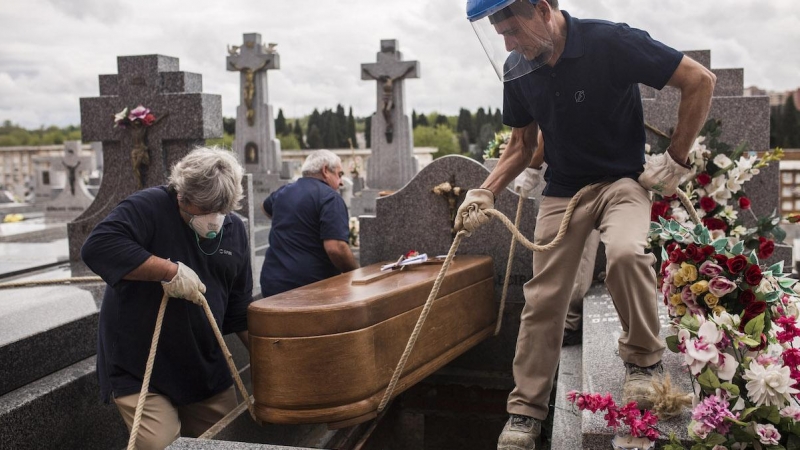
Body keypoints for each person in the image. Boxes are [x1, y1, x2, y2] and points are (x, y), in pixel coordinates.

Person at [460, 1, 716, 448]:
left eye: (513, 29)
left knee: (625, 253)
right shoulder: (517, 65)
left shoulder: (611, 42)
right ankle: (525, 411)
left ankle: (643, 361)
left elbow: (699, 80)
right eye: (499, 34)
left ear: (542, 9)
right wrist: (487, 190)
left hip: (622, 181)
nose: (508, 42)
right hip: (563, 191)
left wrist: (675, 160)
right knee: (543, 298)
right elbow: (522, 142)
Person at [81, 147, 253, 449]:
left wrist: (268, 356)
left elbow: (238, 307)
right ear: (180, 196)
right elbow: (98, 246)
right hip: (141, 367)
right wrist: (168, 271)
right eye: (200, 211)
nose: (211, 221)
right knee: (161, 443)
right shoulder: (148, 207)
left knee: (227, 441)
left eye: (219, 212)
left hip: (204, 365)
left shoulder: (234, 229)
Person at [514, 130, 600, 347]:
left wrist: (532, 167)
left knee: (581, 256)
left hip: (588, 180)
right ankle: (561, 322)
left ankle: (569, 323)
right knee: (559, 254)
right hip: (571, 179)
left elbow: (547, 130)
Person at [259, 149, 358, 297]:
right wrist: (356, 273)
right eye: (339, 174)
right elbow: (336, 248)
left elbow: (265, 207)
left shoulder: (284, 191)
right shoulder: (330, 198)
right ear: (325, 170)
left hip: (272, 283)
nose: (341, 182)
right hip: (310, 288)